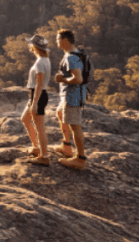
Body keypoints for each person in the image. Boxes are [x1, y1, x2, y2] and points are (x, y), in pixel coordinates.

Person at [52, 29, 88, 170]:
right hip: (69, 95)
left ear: (65, 40)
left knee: (75, 125)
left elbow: (78, 78)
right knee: (60, 113)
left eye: (58, 39)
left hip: (73, 97)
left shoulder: (71, 57)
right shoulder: (75, 54)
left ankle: (80, 159)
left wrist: (63, 79)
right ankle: (66, 146)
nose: (56, 42)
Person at [21, 34, 51, 166]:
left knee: (40, 128)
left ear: (34, 47)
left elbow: (39, 83)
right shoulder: (44, 60)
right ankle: (36, 147)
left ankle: (44, 156)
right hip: (35, 95)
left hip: (37, 95)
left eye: (31, 44)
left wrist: (34, 103)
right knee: (25, 119)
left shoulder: (40, 62)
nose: (29, 46)